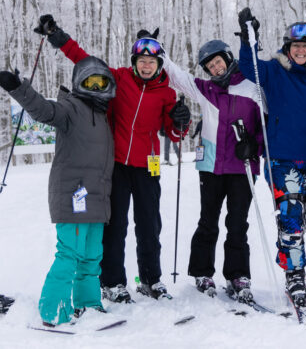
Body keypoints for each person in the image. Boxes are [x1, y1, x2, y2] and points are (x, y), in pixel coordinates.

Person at [35, 16, 191, 302]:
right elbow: (84, 60)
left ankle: (151, 279)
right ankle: (113, 282)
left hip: (148, 166)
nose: (146, 66)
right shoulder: (118, 78)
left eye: (151, 62)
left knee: (149, 225)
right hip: (116, 163)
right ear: (134, 62)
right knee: (115, 225)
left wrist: (181, 121)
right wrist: (59, 38)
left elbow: (173, 132)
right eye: (141, 61)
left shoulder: (168, 93)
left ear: (159, 65)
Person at [0, 56, 116, 326]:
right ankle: (54, 310)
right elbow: (42, 110)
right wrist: (18, 87)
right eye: (90, 81)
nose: (96, 87)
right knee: (69, 254)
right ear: (79, 83)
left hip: (98, 198)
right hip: (74, 195)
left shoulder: (105, 115)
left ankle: (88, 304)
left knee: (93, 256)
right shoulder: (70, 108)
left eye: (101, 81)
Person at [236, 8, 306, 306]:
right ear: (288, 48)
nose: (301, 51)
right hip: (283, 159)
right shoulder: (273, 70)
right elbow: (247, 65)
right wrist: (247, 38)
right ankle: (294, 274)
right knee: (291, 220)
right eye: (296, 46)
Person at [162, 37, 264, 302]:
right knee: (208, 220)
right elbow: (176, 76)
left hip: (243, 167)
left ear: (228, 59)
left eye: (218, 62)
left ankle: (238, 274)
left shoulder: (252, 88)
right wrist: (156, 50)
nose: (216, 69)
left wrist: (255, 146)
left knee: (237, 223)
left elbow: (268, 124)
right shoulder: (205, 90)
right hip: (211, 167)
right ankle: (202, 271)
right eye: (210, 66)